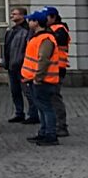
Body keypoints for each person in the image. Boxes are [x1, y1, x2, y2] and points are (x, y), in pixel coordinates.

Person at [21, 11, 61, 146]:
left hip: (43, 80)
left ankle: (50, 135)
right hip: (37, 79)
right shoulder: (39, 37)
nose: (28, 22)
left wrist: (37, 78)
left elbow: (43, 60)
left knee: (46, 108)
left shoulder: (45, 39)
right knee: (42, 108)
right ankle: (44, 133)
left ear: (36, 22)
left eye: (30, 20)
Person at [2, 7, 37, 125]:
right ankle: (19, 112)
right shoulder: (11, 30)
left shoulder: (27, 31)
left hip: (22, 66)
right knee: (15, 91)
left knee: (28, 92)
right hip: (12, 65)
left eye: (14, 14)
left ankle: (33, 114)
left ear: (22, 16)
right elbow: (7, 48)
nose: (12, 16)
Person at [45, 6, 71, 137]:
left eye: (46, 17)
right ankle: (54, 125)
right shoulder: (54, 29)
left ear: (53, 17)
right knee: (51, 98)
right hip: (53, 68)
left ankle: (61, 126)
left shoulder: (59, 30)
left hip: (57, 68)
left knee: (54, 98)